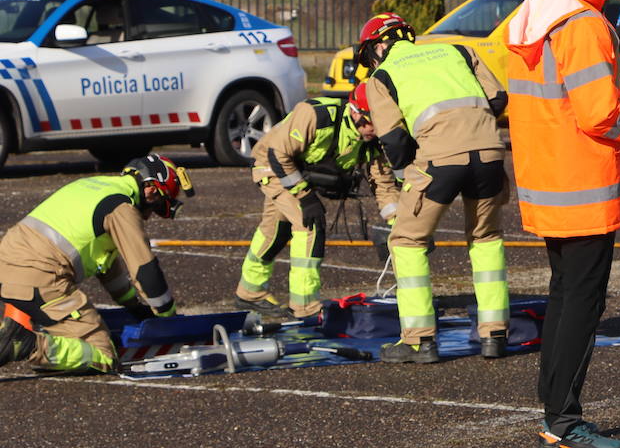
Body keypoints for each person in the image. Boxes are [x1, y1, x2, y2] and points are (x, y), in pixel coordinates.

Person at [506, 0, 620, 448]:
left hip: (549, 183)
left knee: (565, 301)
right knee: (578, 308)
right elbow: (600, 115)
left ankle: (556, 417)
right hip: (584, 189)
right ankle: (563, 423)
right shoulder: (583, 24)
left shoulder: (536, 10)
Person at [355, 13, 511, 363]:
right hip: (489, 152)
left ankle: (419, 340)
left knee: (406, 241)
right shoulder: (457, 50)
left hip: (438, 161)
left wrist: (408, 175)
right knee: (486, 237)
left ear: (379, 46)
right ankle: (495, 334)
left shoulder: (381, 77)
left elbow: (394, 142)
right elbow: (499, 99)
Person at [0, 154, 192, 374]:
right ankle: (27, 344)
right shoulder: (122, 208)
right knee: (102, 353)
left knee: (66, 332)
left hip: (8, 265)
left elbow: (107, 268)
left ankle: (19, 340)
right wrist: (168, 319)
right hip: (39, 277)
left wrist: (135, 307)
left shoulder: (96, 185)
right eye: (158, 207)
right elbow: (146, 272)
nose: (149, 217)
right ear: (150, 191)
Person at [234, 81, 400, 321]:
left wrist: (401, 226)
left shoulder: (375, 138)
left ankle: (249, 292)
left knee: (275, 229)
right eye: (370, 121)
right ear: (355, 113)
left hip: (295, 169)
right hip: (271, 165)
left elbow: (384, 188)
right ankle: (304, 307)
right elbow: (278, 155)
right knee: (309, 225)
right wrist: (306, 196)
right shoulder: (315, 116)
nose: (374, 129)